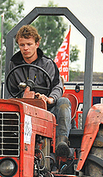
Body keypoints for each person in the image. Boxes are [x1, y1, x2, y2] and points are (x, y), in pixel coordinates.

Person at [8, 25, 72, 158]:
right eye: (22, 45)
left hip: (47, 110)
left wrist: (50, 99)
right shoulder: (13, 65)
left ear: (37, 44)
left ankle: (62, 143)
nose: (25, 48)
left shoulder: (47, 64)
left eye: (29, 44)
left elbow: (57, 86)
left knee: (64, 102)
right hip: (23, 110)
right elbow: (11, 90)